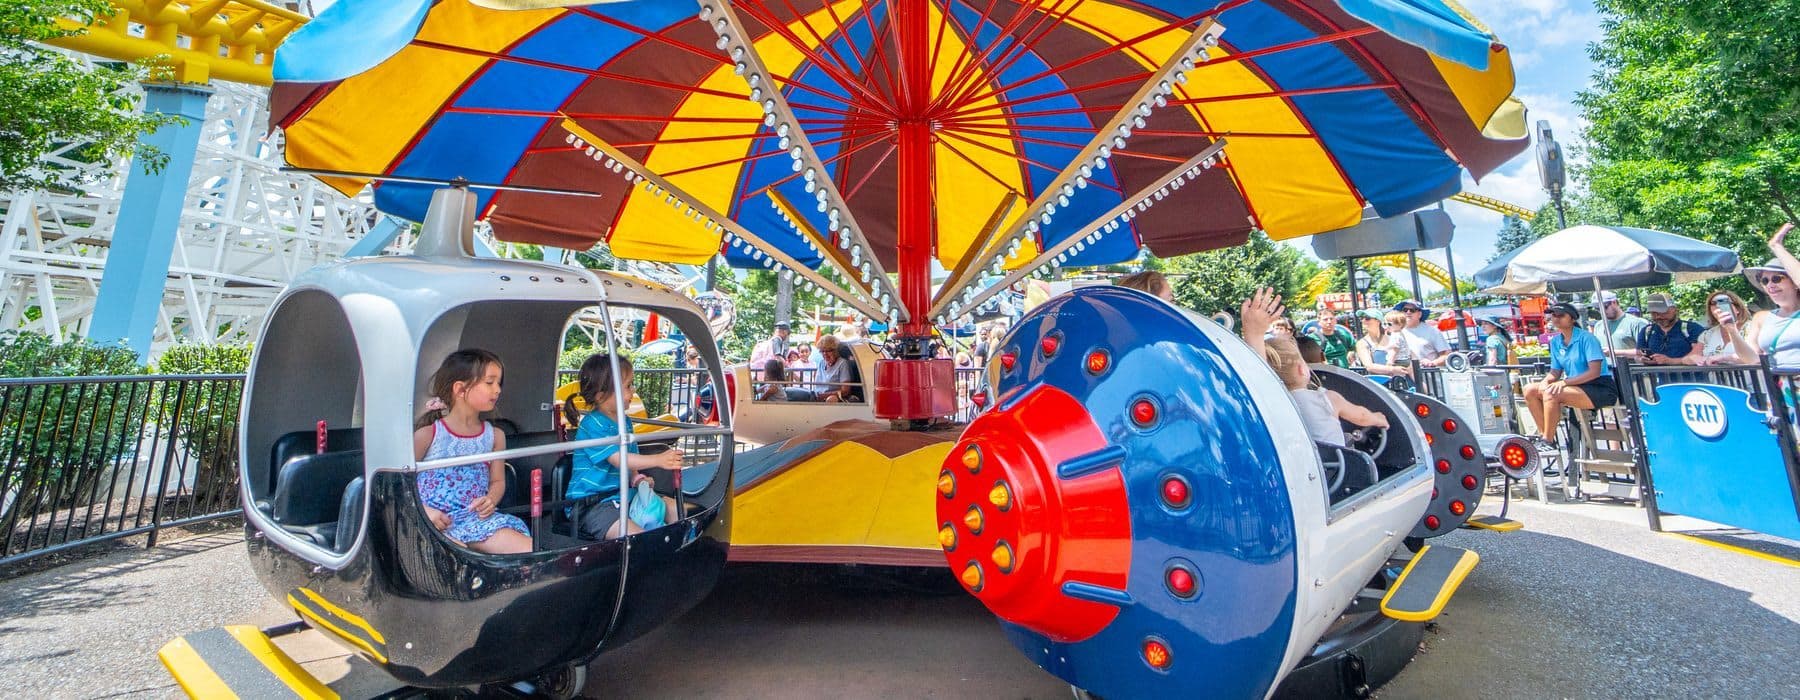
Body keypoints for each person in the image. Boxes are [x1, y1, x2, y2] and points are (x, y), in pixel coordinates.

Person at [412, 349, 532, 554]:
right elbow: (397, 485)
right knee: (457, 557)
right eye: (489, 382)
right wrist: (426, 512)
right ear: (460, 389)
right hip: (433, 522)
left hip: (476, 519)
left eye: (498, 383)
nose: (497, 390)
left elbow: (497, 481)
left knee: (530, 549)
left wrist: (491, 499)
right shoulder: (428, 435)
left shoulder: (495, 436)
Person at [1240, 290, 1388, 446]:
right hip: (1335, 467)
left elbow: (1260, 377)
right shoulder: (1327, 398)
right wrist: (1378, 418)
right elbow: (1362, 416)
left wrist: (1253, 333)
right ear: (1302, 370)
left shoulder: (1276, 401)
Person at [565, 353, 687, 539]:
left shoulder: (625, 422)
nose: (633, 391)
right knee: (640, 538)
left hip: (623, 496)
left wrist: (637, 479)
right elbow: (619, 459)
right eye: (628, 386)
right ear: (601, 396)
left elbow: (631, 464)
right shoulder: (592, 425)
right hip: (592, 505)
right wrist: (658, 459)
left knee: (679, 510)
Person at [1522, 302, 1619, 451]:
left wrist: (1563, 383)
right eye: (1553, 315)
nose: (1556, 318)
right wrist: (1545, 381)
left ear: (1572, 318)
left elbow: (1595, 372)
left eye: (1561, 315)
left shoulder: (1587, 338)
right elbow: (1555, 372)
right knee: (1529, 389)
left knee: (1551, 393)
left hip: (1599, 387)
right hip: (1575, 386)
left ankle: (1547, 441)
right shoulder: (1555, 341)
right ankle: (1545, 437)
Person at [1744, 223, 1800, 369]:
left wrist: (1776, 246)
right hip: (1783, 389)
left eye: (1777, 278)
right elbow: (1751, 358)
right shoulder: (1762, 318)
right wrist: (1731, 329)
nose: (1770, 285)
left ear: (1794, 282)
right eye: (1764, 280)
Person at [1690, 290, 1758, 366]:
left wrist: (1725, 357)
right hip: (1716, 377)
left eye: (1724, 302)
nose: (1718, 306)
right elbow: (1687, 358)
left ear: (1737, 308)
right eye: (1713, 303)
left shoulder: (1753, 327)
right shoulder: (1707, 334)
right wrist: (1694, 358)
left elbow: (1757, 357)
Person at [1635, 293, 1705, 365]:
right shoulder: (1646, 331)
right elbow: (1638, 356)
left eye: (1663, 312)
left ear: (1674, 309)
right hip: (1658, 376)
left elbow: (1697, 356)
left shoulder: (1692, 329)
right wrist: (1642, 359)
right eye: (1653, 313)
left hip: (1691, 376)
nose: (1658, 317)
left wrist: (1669, 360)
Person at [1589, 291, 1650, 361]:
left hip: (1631, 370)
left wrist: (1615, 352)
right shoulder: (1598, 325)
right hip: (1605, 370)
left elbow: (1646, 352)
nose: (1601, 311)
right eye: (1598, 309)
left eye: (1604, 307)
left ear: (1614, 302)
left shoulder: (1636, 323)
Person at [1355, 310, 1413, 382]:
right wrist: (1393, 369)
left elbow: (1408, 356)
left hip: (1403, 381)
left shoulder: (1393, 337)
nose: (1363, 321)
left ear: (1378, 321)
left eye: (1367, 318)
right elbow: (1369, 366)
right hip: (1380, 385)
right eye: (1361, 318)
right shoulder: (1362, 343)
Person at [1392, 300, 1450, 366]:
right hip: (1402, 374)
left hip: (1428, 374)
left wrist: (1432, 363)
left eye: (1412, 310)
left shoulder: (1432, 331)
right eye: (1405, 310)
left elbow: (1446, 355)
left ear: (1420, 314)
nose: (1408, 312)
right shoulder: (1394, 331)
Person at [812, 335, 863, 403]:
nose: (825, 354)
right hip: (818, 396)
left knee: (831, 399)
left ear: (835, 351)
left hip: (835, 398)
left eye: (828, 351)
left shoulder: (842, 363)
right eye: (822, 351)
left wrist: (824, 395)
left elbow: (845, 391)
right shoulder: (822, 363)